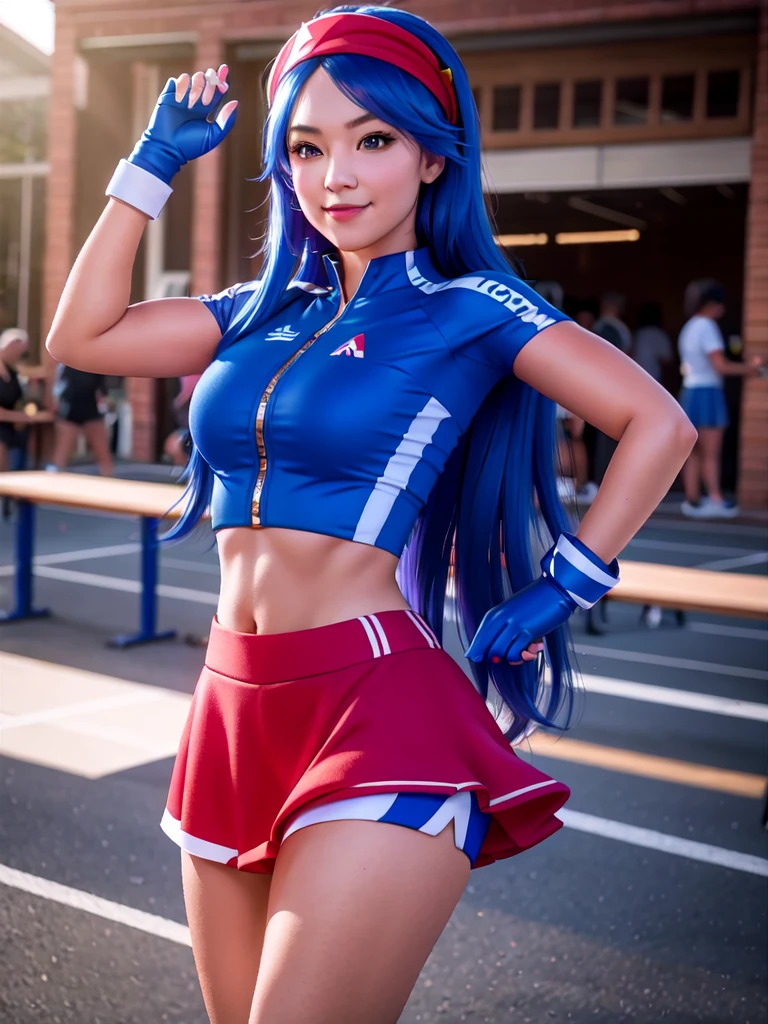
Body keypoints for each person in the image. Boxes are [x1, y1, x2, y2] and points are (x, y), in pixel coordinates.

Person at [45, 7, 696, 1022]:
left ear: (434, 158)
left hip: (375, 707)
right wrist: (148, 170)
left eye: (374, 140)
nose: (335, 176)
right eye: (306, 147)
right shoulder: (263, 308)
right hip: (230, 704)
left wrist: (563, 584)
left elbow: (657, 422)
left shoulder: (470, 306)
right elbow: (81, 336)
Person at [677, 280, 762, 518]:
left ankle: (692, 498)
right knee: (711, 451)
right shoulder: (707, 327)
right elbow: (720, 365)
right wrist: (750, 369)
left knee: (692, 450)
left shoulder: (689, 326)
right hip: (708, 392)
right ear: (712, 304)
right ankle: (715, 498)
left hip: (690, 390)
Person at [47, 362, 113, 475]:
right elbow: (56, 384)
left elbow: (102, 389)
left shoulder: (95, 362)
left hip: (90, 406)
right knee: (62, 451)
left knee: (103, 454)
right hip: (69, 407)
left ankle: (109, 481)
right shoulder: (65, 362)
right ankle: (52, 480)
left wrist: (104, 402)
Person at [0, 328, 50, 472]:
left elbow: (18, 401)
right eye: (22, 352)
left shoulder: (11, 372)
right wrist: (27, 417)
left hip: (10, 428)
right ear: (12, 345)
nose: (22, 356)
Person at [632, 300, 674, 384]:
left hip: (634, 376)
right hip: (652, 379)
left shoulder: (636, 334)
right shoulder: (659, 335)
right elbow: (667, 359)